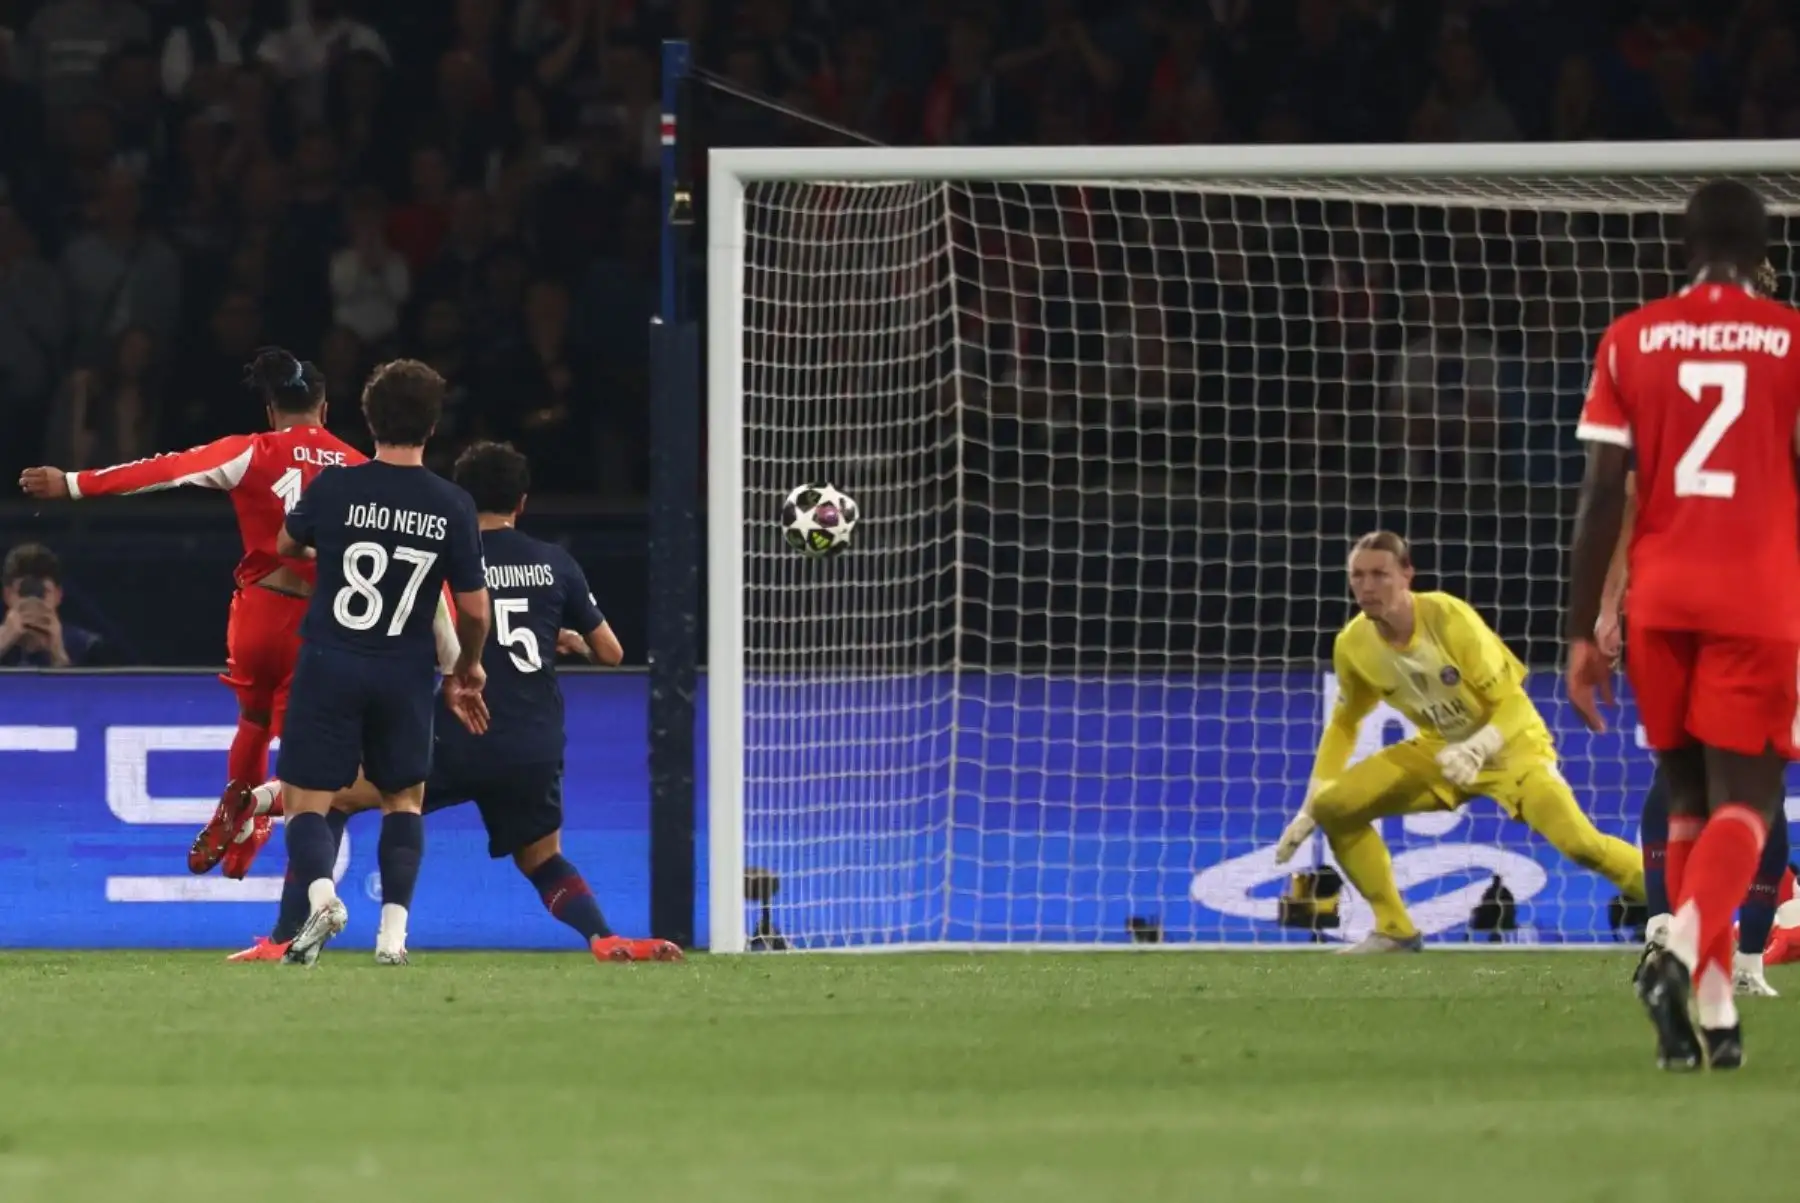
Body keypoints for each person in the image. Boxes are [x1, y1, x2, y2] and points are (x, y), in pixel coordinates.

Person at [226, 441, 680, 965]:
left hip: (453, 733)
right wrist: (562, 634)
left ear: (462, 496)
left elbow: (461, 614)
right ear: (523, 502)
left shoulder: (445, 551)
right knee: (543, 858)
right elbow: (612, 653)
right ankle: (603, 937)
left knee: (332, 798)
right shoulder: (556, 563)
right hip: (528, 744)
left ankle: (286, 927)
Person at [1566, 178, 1800, 1071]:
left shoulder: (1630, 339)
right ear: (1765, 247)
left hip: (1657, 598)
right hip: (1757, 595)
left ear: (1681, 245)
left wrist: (1585, 628)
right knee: (1750, 797)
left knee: (1689, 796)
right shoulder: (1791, 341)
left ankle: (1711, 1006)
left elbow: (1598, 496)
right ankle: (1677, 955)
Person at [17, 348, 387, 878]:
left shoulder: (249, 450)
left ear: (270, 410)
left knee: (253, 720)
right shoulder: (360, 468)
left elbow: (165, 470)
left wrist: (73, 483)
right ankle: (258, 819)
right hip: (320, 625)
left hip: (257, 616)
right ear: (325, 409)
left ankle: (237, 809)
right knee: (322, 774)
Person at [1273, 530, 1645, 953]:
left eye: (1380, 574)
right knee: (1335, 808)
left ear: (1407, 574)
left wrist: (1477, 748)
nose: (1367, 586)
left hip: (1511, 748)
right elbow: (1344, 724)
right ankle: (1394, 928)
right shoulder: (1353, 644)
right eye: (1358, 576)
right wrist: (1310, 806)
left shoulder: (1449, 619)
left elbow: (1516, 707)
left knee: (1583, 846)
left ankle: (1686, 912)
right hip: (1441, 751)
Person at [274, 358, 490, 966]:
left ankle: (322, 897)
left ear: (367, 418)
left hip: (331, 658)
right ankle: (392, 936)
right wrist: (467, 666)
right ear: (433, 424)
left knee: (306, 800)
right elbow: (474, 608)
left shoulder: (335, 486)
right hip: (404, 667)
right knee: (404, 799)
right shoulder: (451, 504)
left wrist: (331, 541)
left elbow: (288, 544)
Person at [1593, 447, 1797, 999]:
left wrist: (1611, 607)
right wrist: (1610, 607)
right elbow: (1633, 505)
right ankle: (1673, 932)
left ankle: (1737, 952)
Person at [0, 542, 109, 668]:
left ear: (58, 595)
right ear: (7, 594)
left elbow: (88, 688)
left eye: (43, 592)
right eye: (24, 591)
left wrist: (58, 654)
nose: (33, 601)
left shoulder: (87, 647)